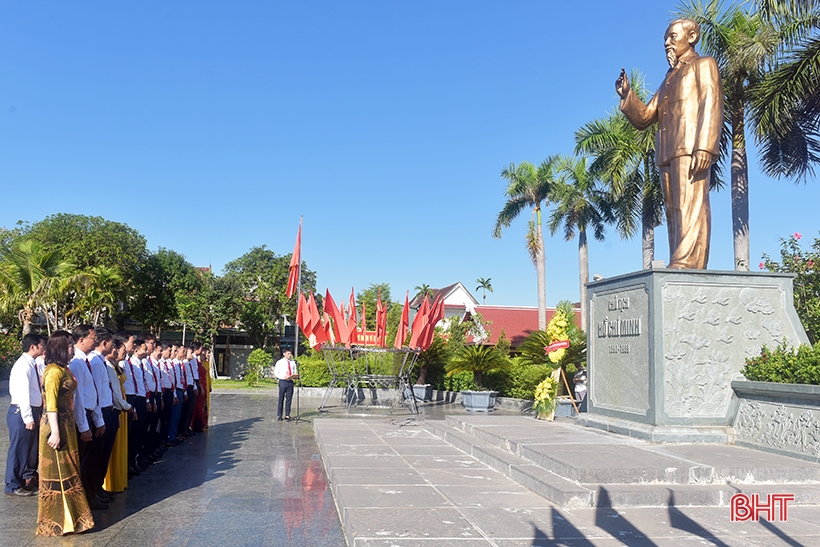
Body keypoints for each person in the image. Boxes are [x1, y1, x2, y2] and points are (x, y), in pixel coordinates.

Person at [616, 18, 723, 270]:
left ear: (692, 36)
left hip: (691, 148)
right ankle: (679, 258)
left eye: (672, 37)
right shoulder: (668, 79)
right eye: (665, 38)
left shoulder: (704, 65)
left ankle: (687, 263)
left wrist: (705, 146)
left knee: (691, 206)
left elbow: (712, 104)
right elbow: (645, 117)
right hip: (666, 152)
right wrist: (627, 95)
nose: (667, 43)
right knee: (674, 210)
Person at [37, 330, 95, 536]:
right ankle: (57, 521)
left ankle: (74, 517)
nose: (72, 349)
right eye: (70, 346)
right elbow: (50, 404)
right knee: (58, 471)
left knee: (70, 468)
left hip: (67, 424)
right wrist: (55, 432)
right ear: (61, 348)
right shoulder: (53, 371)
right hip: (56, 426)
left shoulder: (64, 369)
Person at [68, 325, 106, 510]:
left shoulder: (85, 361)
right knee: (84, 462)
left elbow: (94, 393)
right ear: (81, 340)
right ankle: (84, 500)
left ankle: (92, 493)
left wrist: (98, 419)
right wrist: (84, 427)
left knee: (92, 460)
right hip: (83, 418)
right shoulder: (76, 363)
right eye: (93, 337)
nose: (96, 341)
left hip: (91, 415)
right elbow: (79, 398)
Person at [5, 333, 44, 496]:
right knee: (19, 449)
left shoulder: (32, 364)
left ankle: (22, 479)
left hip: (32, 410)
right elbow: (23, 394)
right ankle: (12, 485)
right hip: (21, 412)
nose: (43, 348)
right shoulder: (23, 366)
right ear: (33, 347)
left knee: (27, 449)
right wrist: (28, 417)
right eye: (41, 345)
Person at [104, 337, 133, 493]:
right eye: (120, 349)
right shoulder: (107, 366)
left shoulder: (115, 366)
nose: (121, 352)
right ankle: (109, 482)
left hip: (120, 403)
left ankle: (119, 478)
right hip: (118, 404)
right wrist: (126, 406)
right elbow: (113, 391)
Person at [274, 350, 298, 421]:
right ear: (284, 354)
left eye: (290, 353)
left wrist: (294, 376)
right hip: (283, 381)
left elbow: (294, 372)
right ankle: (279, 415)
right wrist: (282, 376)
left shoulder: (293, 362)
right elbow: (276, 372)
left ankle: (287, 414)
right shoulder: (280, 362)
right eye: (288, 354)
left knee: (289, 399)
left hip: (290, 381)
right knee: (281, 399)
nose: (289, 355)